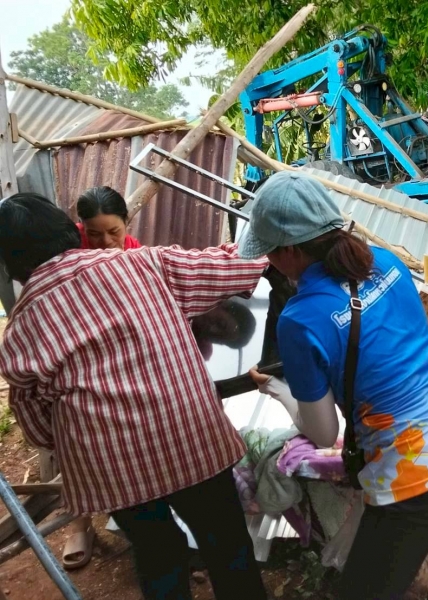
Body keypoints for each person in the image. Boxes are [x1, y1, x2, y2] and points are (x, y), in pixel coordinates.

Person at [0, 193, 270, 600]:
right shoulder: (144, 264)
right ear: (69, 232)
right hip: (191, 440)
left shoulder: (20, 331)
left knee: (158, 555)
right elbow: (236, 266)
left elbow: (40, 430)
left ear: (10, 263)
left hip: (111, 470)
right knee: (226, 543)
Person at [241, 171, 428, 600]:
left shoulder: (299, 320)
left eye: (268, 251)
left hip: (412, 483)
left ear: (289, 250)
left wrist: (278, 390)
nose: (267, 261)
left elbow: (323, 434)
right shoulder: (386, 263)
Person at [61, 186, 143, 569]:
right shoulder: (68, 251)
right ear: (82, 228)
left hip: (120, 352)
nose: (106, 243)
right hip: (79, 351)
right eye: (94, 234)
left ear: (127, 223)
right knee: (75, 432)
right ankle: (80, 523)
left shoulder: (136, 253)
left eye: (113, 232)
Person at [76, 186, 142, 250]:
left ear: (125, 222)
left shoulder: (134, 249)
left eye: (114, 232)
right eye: (94, 234)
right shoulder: (73, 240)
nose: (106, 241)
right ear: (83, 226)